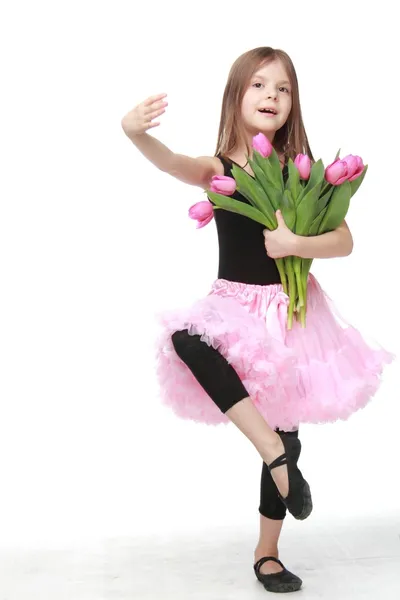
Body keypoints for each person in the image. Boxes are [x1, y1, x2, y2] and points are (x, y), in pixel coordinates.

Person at [121, 46, 394, 594]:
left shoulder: (305, 171)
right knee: (186, 340)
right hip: (235, 304)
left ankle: (267, 552)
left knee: (290, 429)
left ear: (294, 104)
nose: (272, 96)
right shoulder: (219, 168)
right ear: (236, 96)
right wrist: (136, 134)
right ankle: (269, 450)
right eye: (259, 86)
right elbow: (173, 162)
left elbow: (343, 239)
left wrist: (295, 241)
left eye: (283, 89)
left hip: (291, 308)